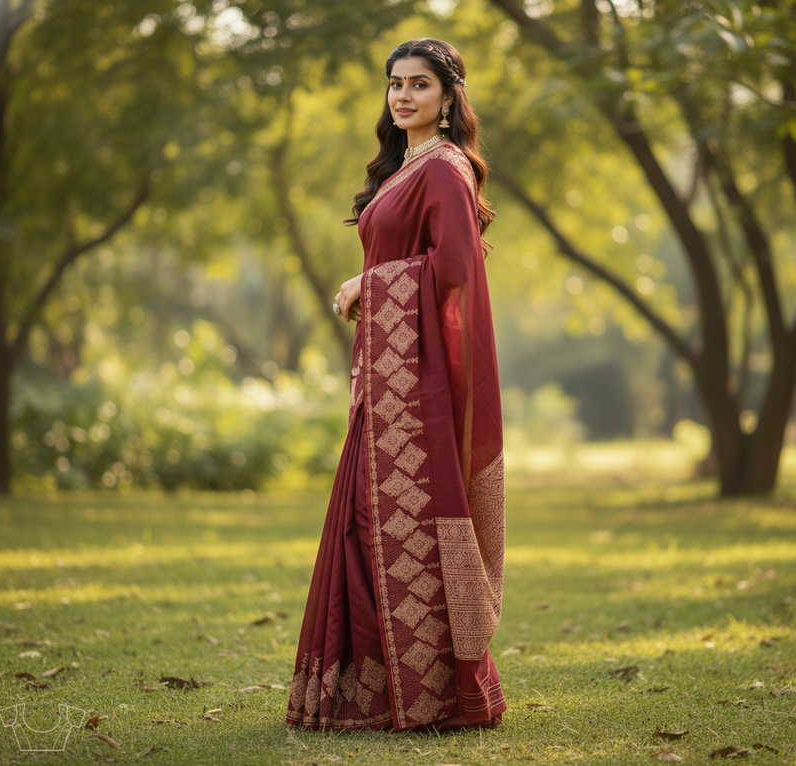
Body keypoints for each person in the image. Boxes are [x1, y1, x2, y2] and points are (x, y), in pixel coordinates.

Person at [286, 38, 506, 732]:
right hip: (384, 379)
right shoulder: (402, 169)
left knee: (386, 527)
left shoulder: (443, 171)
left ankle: (426, 693)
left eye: (419, 85)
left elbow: (455, 271)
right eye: (394, 85)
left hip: (414, 390)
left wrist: (366, 283)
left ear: (448, 98)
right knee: (360, 525)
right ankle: (375, 687)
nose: (403, 96)